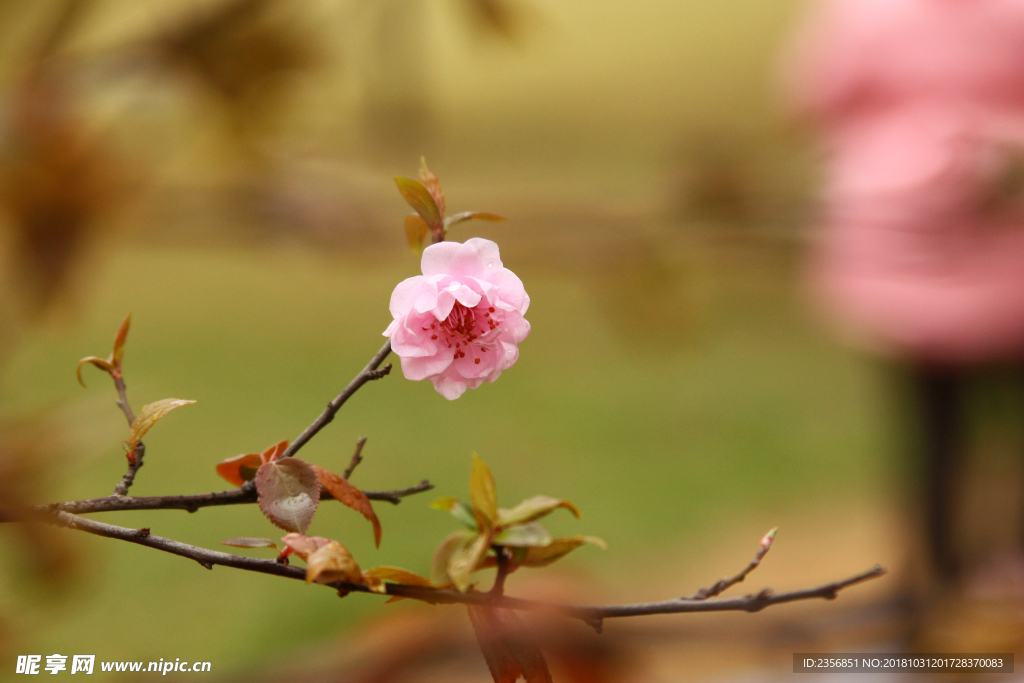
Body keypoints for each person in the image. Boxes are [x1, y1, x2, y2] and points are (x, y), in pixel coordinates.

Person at [783, 0, 1024, 582]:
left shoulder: (863, 16)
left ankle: (942, 570)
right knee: (1002, 424)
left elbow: (810, 97)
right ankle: (990, 563)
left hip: (905, 250)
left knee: (932, 424)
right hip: (997, 247)